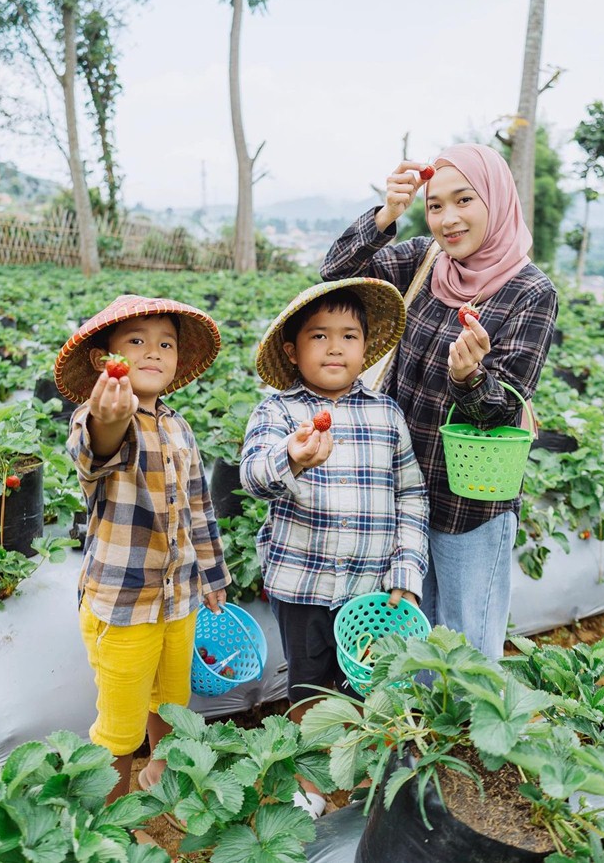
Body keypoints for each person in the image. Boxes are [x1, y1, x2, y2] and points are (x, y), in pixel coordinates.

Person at [320, 143, 558, 661]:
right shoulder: (424, 262)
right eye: (434, 206)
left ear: (495, 199)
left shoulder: (529, 291)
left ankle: (467, 742)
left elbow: (502, 408)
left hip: (469, 499)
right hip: (400, 489)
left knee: (467, 642)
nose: (448, 219)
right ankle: (416, 736)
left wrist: (468, 376)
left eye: (464, 200)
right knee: (408, 636)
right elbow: (335, 280)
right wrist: (387, 214)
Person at [240, 278, 429, 818]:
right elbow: (253, 475)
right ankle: (307, 782)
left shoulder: (387, 415)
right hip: (301, 584)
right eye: (318, 336)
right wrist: (292, 459)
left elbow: (411, 496)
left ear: (366, 348)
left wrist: (406, 574)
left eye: (348, 336)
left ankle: (362, 775)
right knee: (306, 685)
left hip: (370, 592)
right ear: (291, 350)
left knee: (365, 688)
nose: (334, 347)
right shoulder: (276, 414)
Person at [54, 294, 231, 805]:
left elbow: (200, 507)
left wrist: (213, 578)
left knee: (172, 701)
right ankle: (111, 821)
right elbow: (96, 449)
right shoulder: (102, 417)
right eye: (136, 342)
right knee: (121, 723)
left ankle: (162, 773)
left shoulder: (179, 426)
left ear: (177, 359)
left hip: (178, 599)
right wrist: (109, 416)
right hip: (124, 605)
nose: (153, 351)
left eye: (165, 343)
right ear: (102, 359)